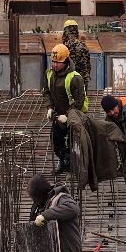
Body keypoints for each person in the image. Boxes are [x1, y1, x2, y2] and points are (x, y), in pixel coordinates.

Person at [11, 174, 82, 252]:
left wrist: (45, 215)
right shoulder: (40, 203)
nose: (34, 200)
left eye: (34, 197)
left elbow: (73, 208)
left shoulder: (61, 198)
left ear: (41, 193)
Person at [44, 43, 86, 174]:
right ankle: (65, 162)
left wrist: (68, 117)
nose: (55, 65)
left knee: (75, 142)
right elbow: (47, 92)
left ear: (66, 61)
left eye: (58, 63)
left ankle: (76, 165)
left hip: (75, 114)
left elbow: (79, 102)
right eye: (53, 62)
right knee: (55, 139)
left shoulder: (75, 78)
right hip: (59, 114)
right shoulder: (49, 74)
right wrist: (50, 108)